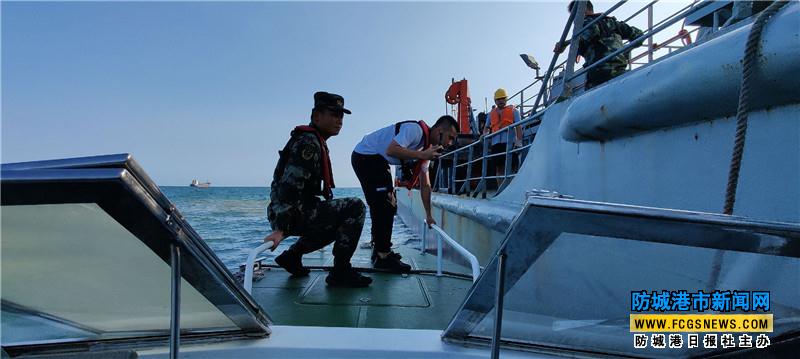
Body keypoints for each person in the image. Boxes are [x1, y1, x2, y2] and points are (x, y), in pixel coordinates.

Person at [263, 91, 372, 288]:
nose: (339, 120)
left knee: (337, 217)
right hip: (288, 213)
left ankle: (292, 256)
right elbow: (289, 187)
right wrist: (281, 228)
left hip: (295, 210)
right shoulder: (308, 143)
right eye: (333, 114)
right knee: (355, 207)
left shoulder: (314, 140)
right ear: (316, 116)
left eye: (341, 116)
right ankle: (340, 271)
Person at [352, 115, 459, 272]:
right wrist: (423, 155)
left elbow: (425, 185)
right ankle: (383, 256)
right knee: (386, 205)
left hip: (374, 159)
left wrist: (429, 215)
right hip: (366, 156)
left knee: (383, 205)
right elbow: (391, 149)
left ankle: (380, 250)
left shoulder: (426, 148)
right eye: (450, 138)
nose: (450, 143)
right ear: (439, 130)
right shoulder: (414, 130)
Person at [554, 0, 645, 89]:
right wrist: (623, 51)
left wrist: (565, 44)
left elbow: (590, 33)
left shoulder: (584, 24)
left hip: (598, 78)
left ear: (582, 10)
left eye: (574, 15)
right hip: (619, 72)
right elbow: (639, 36)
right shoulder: (612, 23)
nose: (574, 19)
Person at [483, 88, 522, 188]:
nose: (501, 101)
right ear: (495, 101)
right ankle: (500, 188)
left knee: (512, 166)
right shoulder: (491, 114)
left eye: (503, 98)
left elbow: (518, 126)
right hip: (496, 144)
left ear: (506, 99)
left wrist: (519, 141)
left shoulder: (514, 111)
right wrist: (485, 134)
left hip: (509, 143)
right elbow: (486, 128)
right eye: (498, 99)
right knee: (498, 168)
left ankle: (512, 188)